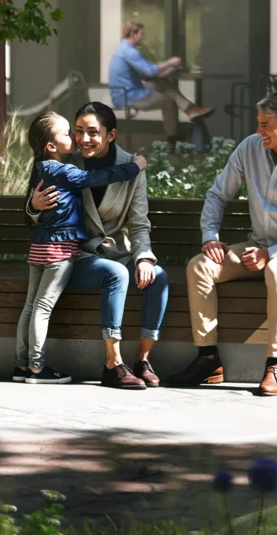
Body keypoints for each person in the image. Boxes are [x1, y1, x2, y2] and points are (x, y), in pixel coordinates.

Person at [173, 89, 277, 396]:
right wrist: (210, 236)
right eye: (258, 123)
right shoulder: (250, 148)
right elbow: (217, 195)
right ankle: (208, 360)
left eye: (265, 124)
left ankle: (276, 365)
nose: (258, 130)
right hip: (257, 247)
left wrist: (270, 253)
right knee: (199, 267)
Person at [26, 102, 173, 389]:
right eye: (78, 131)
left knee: (159, 277)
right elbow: (38, 214)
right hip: (76, 255)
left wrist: (144, 258)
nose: (83, 139)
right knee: (115, 274)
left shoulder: (131, 167)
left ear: (110, 135)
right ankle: (113, 364)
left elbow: (139, 222)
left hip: (118, 250)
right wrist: (33, 205)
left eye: (93, 132)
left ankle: (143, 360)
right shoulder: (66, 163)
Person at [109, 19, 212, 142]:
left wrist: (167, 71)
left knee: (162, 83)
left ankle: (190, 110)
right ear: (132, 34)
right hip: (128, 96)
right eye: (141, 34)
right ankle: (172, 137)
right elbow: (149, 71)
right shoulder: (129, 52)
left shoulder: (122, 50)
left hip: (128, 92)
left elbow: (145, 74)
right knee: (169, 101)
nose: (143, 37)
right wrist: (170, 62)